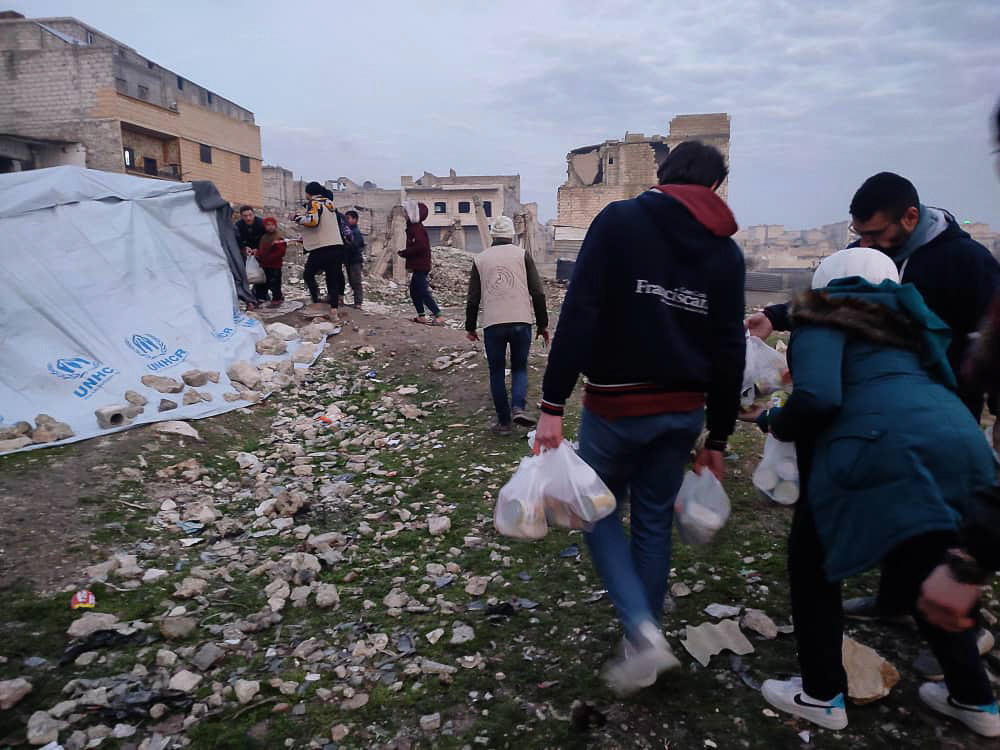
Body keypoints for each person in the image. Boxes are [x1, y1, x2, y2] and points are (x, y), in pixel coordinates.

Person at [746, 248, 998, 736]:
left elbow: (818, 397)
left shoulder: (826, 315)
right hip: (957, 442)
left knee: (812, 560)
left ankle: (821, 694)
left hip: (883, 448)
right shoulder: (912, 321)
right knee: (930, 562)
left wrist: (776, 420)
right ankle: (975, 700)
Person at [533, 141, 746, 694]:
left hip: (615, 406)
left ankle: (641, 628)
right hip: (683, 413)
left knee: (594, 511)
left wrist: (552, 402)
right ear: (716, 188)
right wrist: (718, 436)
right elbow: (729, 349)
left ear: (662, 173)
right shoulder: (725, 253)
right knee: (652, 523)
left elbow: (581, 308)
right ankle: (642, 642)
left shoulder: (622, 219)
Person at [747, 172, 1000, 624]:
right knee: (899, 509)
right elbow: (842, 299)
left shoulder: (967, 262)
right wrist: (777, 315)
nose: (867, 244)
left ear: (909, 217)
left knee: (929, 520)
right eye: (859, 235)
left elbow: (990, 343)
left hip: (944, 401)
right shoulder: (872, 255)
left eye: (875, 234)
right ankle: (897, 605)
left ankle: (952, 626)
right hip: (885, 409)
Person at [465, 215, 550, 435]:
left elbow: (473, 297)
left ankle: (503, 423)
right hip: (521, 320)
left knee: (496, 371)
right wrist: (543, 325)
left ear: (493, 235)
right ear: (511, 234)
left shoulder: (480, 258)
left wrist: (470, 326)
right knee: (520, 366)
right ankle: (518, 407)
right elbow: (538, 292)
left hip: (493, 323)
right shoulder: (522, 255)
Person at [293, 182, 350, 316]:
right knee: (332, 278)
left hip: (322, 247)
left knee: (308, 274)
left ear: (308, 193)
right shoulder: (330, 204)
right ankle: (334, 310)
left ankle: (316, 300)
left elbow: (313, 221)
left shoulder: (315, 203)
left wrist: (296, 218)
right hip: (336, 246)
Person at [398, 200, 443, 325]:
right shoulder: (413, 227)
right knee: (414, 290)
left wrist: (406, 252)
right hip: (419, 264)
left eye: (406, 211)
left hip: (421, 264)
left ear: (412, 213)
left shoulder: (417, 229)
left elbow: (421, 246)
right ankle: (421, 316)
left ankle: (438, 315)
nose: (404, 214)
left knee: (422, 290)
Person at [251, 217, 286, 307]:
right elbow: (262, 250)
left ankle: (277, 298)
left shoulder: (278, 237)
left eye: (272, 225)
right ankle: (261, 298)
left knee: (275, 284)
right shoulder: (264, 237)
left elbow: (280, 252)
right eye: (268, 225)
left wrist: (267, 258)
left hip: (275, 266)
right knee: (262, 283)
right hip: (264, 265)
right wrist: (258, 254)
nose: (270, 227)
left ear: (275, 226)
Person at [342, 210, 365, 309]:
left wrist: (348, 242)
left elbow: (357, 246)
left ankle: (358, 303)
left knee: (356, 282)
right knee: (352, 281)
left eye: (348, 218)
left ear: (355, 220)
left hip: (355, 260)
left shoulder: (355, 232)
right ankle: (356, 302)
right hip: (349, 260)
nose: (346, 221)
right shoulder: (348, 231)